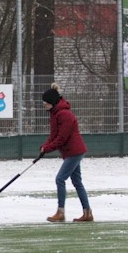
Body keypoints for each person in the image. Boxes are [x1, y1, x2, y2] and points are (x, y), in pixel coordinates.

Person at [40, 83, 93, 223]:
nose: (44, 106)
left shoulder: (64, 114)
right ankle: (87, 213)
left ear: (52, 102)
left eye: (46, 103)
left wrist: (48, 148)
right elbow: (53, 135)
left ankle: (61, 212)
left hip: (74, 151)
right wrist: (45, 146)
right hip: (70, 152)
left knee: (60, 179)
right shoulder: (55, 113)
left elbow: (62, 138)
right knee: (77, 182)